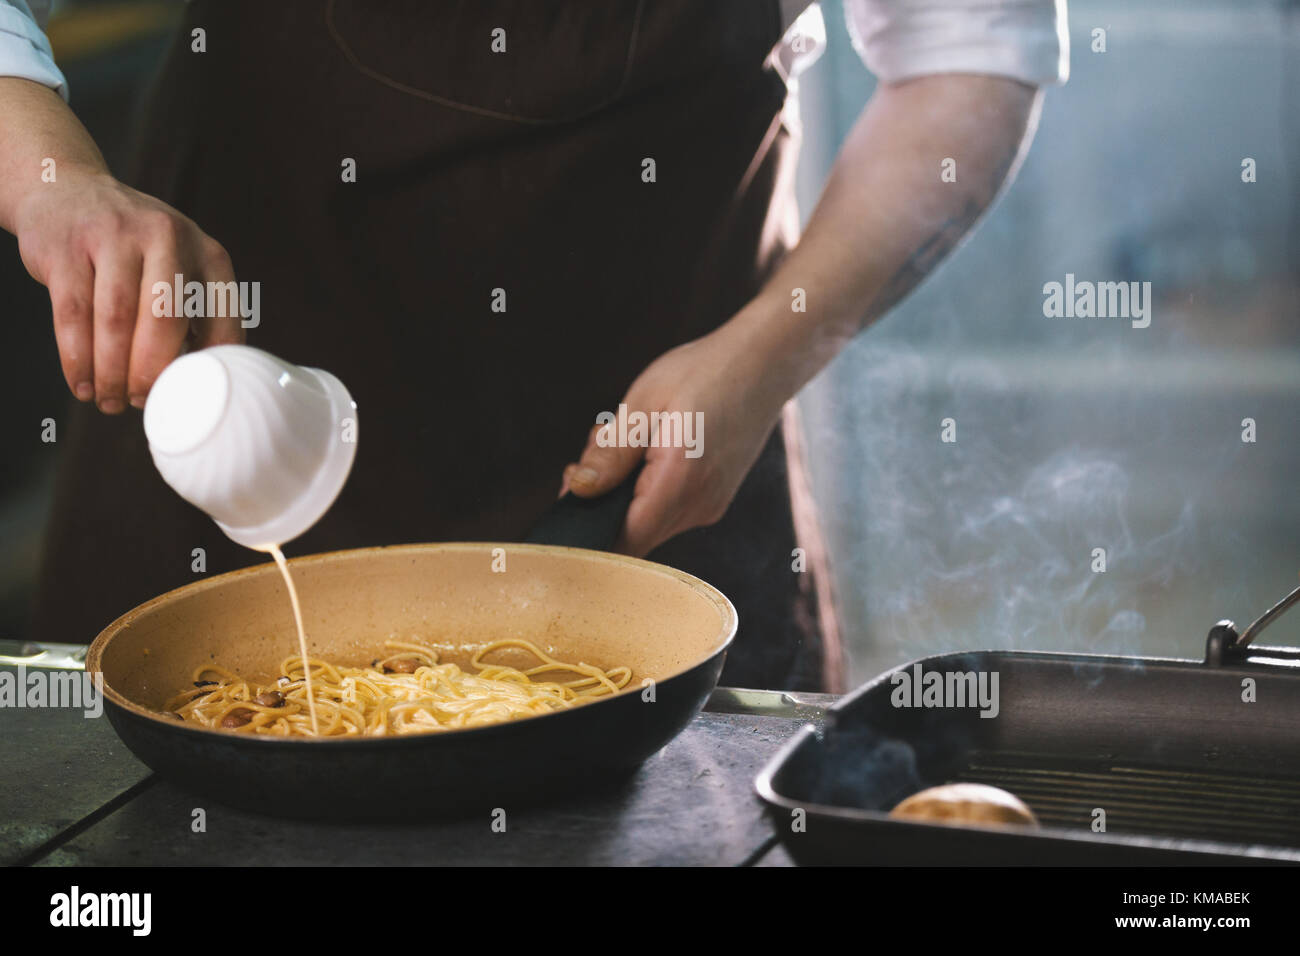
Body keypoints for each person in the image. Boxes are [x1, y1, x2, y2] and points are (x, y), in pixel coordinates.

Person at [0, 0, 1068, 692]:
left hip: (672, 449)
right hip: (236, 415)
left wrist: (758, 362)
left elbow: (968, 54)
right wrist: (57, 182)